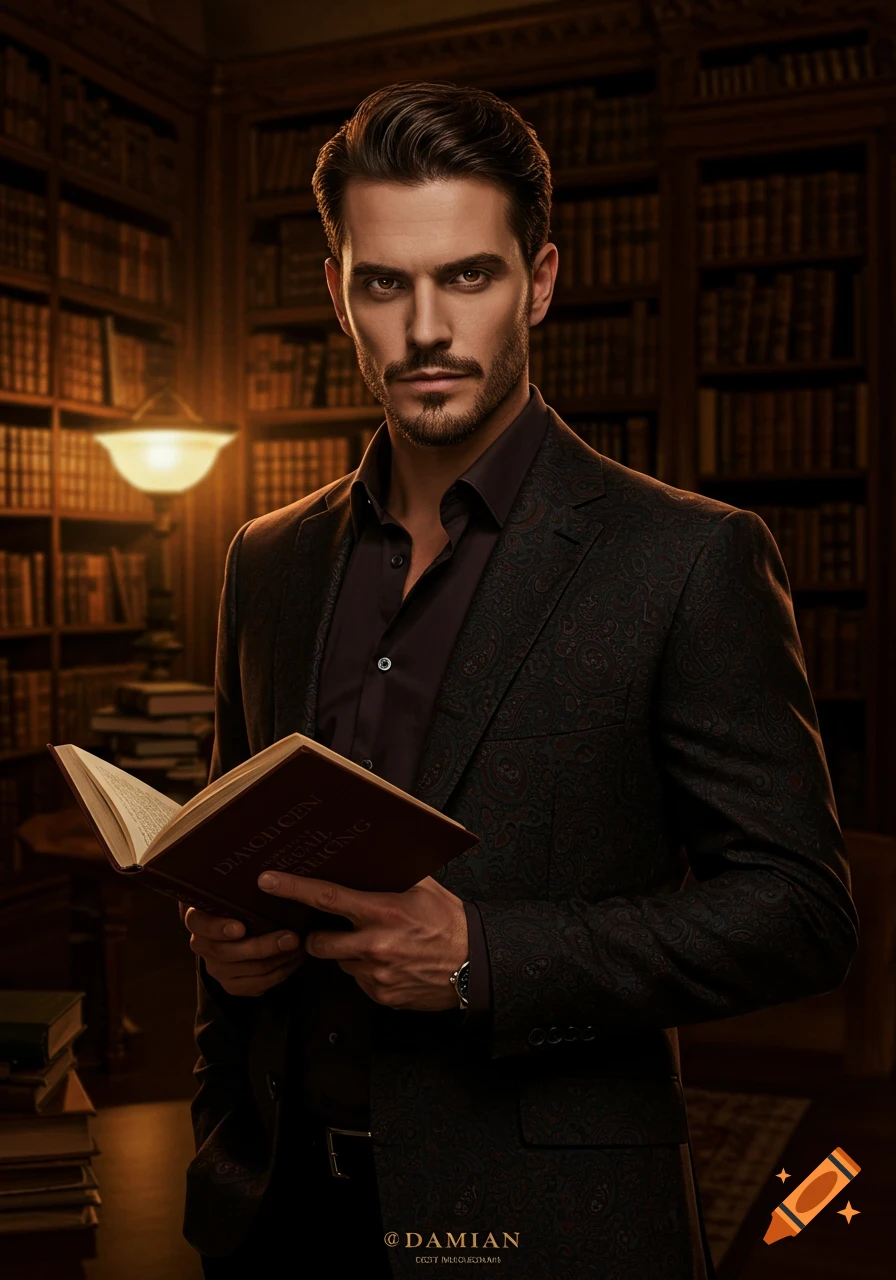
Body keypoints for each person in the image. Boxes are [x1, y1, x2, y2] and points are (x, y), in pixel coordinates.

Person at [181, 82, 859, 1279]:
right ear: (339, 293)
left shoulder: (689, 557)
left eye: (468, 277)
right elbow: (233, 849)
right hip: (275, 1212)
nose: (424, 327)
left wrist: (486, 958)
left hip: (548, 1226)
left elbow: (800, 912)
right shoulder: (264, 560)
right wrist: (223, 948)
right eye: (383, 283)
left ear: (538, 281)